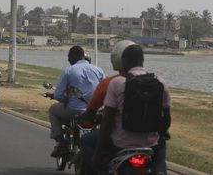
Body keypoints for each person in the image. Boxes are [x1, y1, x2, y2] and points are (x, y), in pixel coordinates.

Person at [91, 42, 171, 174]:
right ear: (142, 60)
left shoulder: (116, 83)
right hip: (150, 144)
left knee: (88, 143)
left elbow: (107, 120)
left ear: (123, 62)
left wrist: (98, 153)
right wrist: (160, 134)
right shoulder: (160, 83)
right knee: (160, 153)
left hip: (120, 143)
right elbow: (166, 119)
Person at [78, 40, 131, 173]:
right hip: (149, 140)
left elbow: (93, 112)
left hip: (119, 137)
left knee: (86, 141)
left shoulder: (110, 83)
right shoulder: (154, 82)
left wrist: (87, 117)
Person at [47, 45, 105, 157]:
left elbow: (59, 95)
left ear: (74, 56)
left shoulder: (69, 71)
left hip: (74, 110)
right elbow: (104, 90)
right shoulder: (99, 70)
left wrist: (64, 99)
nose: (68, 59)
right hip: (95, 111)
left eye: (69, 57)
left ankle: (61, 143)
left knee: (52, 110)